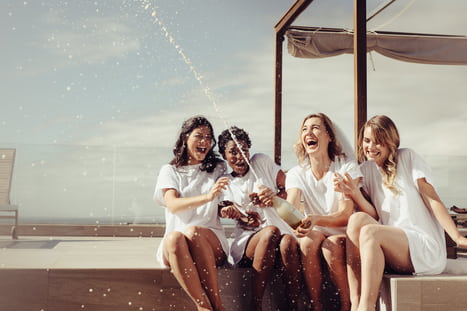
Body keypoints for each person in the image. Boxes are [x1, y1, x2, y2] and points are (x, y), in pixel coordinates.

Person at [344, 115, 467, 311]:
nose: (371, 147)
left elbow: (432, 198)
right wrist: (354, 193)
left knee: (370, 232)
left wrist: (457, 237)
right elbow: (372, 214)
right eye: (367, 140)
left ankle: (365, 308)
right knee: (356, 220)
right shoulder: (365, 170)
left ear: (390, 142)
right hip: (395, 246)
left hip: (423, 246)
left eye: (378, 142)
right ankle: (355, 302)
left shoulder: (407, 157)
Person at [286, 113, 377, 311]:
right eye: (304, 129)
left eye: (315, 128)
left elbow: (345, 214)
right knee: (308, 242)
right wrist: (294, 224)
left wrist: (316, 219)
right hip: (316, 230)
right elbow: (290, 207)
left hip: (345, 232)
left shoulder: (345, 167)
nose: (309, 132)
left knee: (331, 245)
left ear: (329, 136)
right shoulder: (296, 173)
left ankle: (347, 304)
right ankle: (316, 305)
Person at [217, 126, 301, 311]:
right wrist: (240, 214)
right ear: (224, 155)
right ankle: (255, 305)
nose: (241, 156)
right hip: (249, 243)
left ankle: (292, 305)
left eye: (244, 150)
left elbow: (290, 187)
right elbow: (233, 214)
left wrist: (274, 197)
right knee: (270, 232)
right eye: (233, 152)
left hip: (280, 234)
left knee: (288, 242)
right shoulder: (225, 182)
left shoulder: (260, 162)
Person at [153, 115, 230, 311]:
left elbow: (223, 202)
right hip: (178, 246)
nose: (205, 141)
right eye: (199, 136)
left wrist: (230, 209)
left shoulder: (218, 167)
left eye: (208, 137)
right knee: (174, 238)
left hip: (210, 240)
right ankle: (203, 307)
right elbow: (173, 205)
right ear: (185, 138)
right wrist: (208, 196)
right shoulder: (170, 170)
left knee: (194, 231)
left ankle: (217, 305)